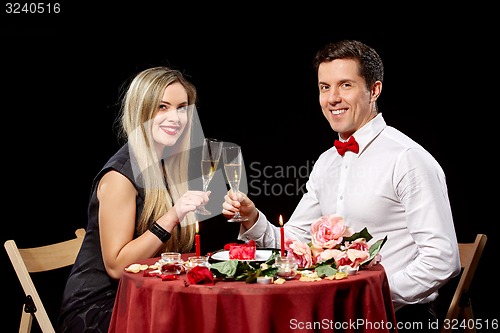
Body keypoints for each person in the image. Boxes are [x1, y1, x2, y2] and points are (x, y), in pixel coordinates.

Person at [222, 39, 461, 331]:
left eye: (345, 85)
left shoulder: (407, 159)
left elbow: (442, 259)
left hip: (396, 318)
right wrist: (252, 219)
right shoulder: (327, 161)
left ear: (374, 90)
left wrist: (372, 297)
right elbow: (293, 242)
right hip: (335, 317)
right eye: (325, 87)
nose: (332, 98)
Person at [58, 66, 211, 332]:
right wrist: (173, 215)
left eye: (182, 107)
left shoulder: (169, 165)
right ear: (141, 110)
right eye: (162, 107)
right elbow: (117, 267)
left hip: (145, 298)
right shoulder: (120, 175)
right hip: (100, 308)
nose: (174, 117)